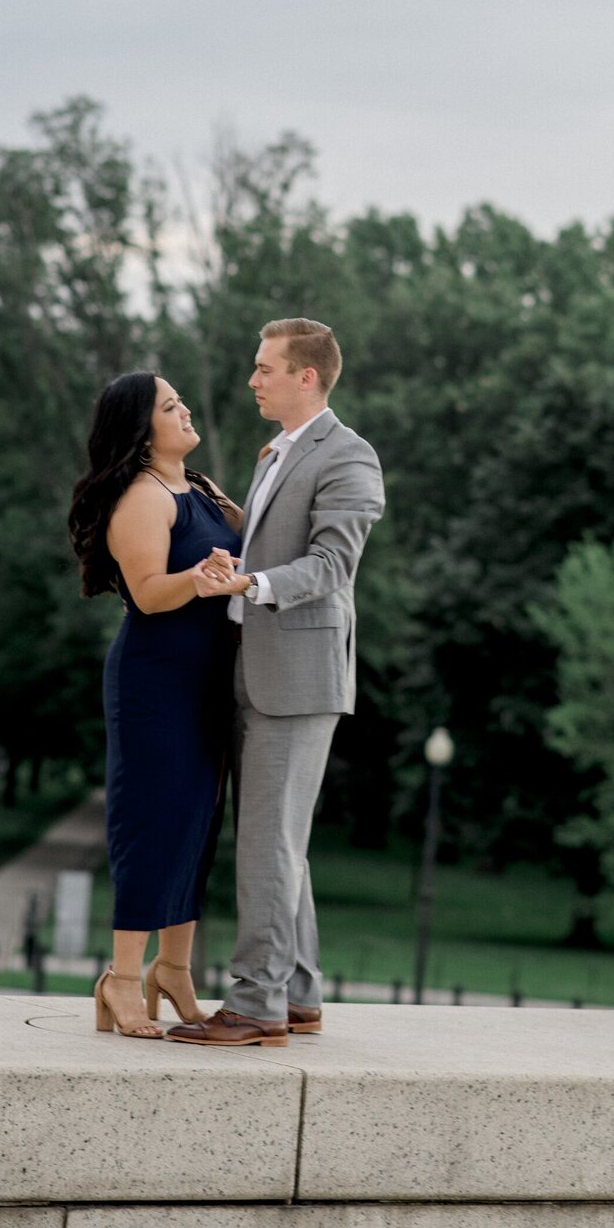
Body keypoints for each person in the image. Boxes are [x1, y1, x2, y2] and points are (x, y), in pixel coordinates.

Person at [167, 318, 385, 1049]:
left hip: (298, 676)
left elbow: (330, 567)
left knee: (267, 843)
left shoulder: (350, 457)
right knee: (282, 842)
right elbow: (276, 537)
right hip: (259, 670)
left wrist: (252, 579)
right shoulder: (276, 454)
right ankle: (297, 995)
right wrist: (232, 519)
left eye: (265, 368)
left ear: (307, 377)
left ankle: (256, 1004)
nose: (253, 380)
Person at [67, 371, 242, 1039]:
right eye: (171, 406)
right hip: (156, 681)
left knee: (196, 824)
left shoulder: (197, 487)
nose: (186, 410)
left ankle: (175, 969)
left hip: (206, 680)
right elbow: (146, 593)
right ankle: (121, 978)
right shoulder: (142, 496)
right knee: (151, 821)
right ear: (143, 431)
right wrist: (197, 581)